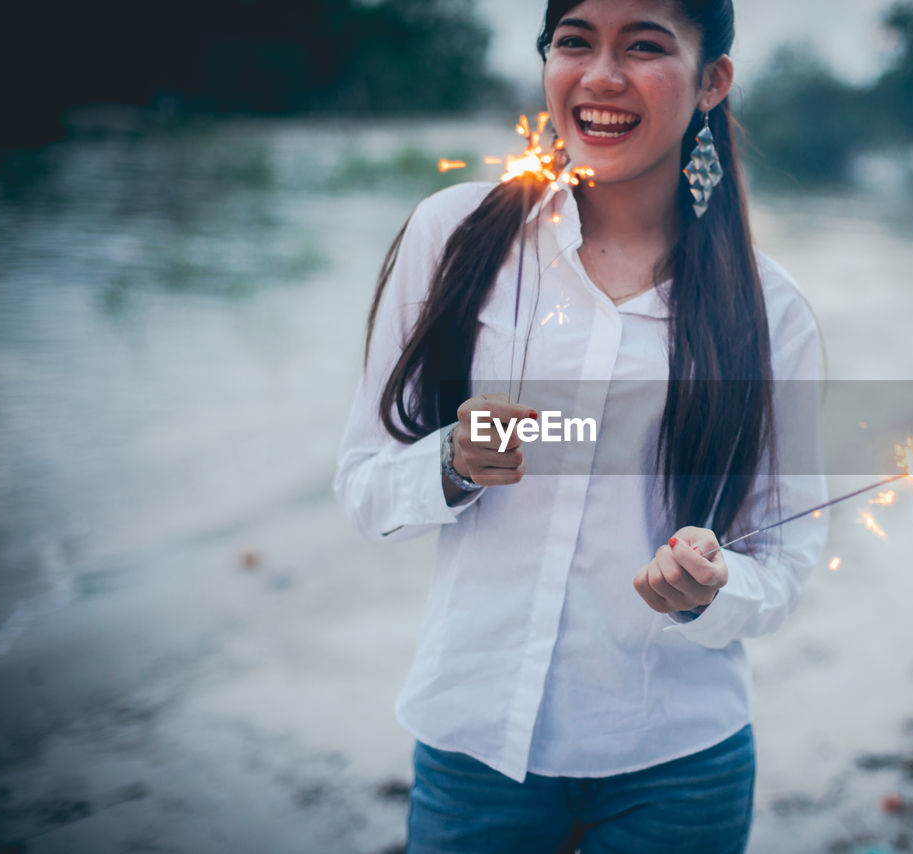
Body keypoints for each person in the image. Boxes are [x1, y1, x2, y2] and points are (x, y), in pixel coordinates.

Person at [333, 1, 827, 851]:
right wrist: (448, 462)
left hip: (679, 765)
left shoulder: (769, 312)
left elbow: (785, 560)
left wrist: (711, 589)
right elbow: (363, 488)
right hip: (473, 749)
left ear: (713, 81)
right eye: (574, 41)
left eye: (644, 46)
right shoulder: (453, 236)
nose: (601, 75)